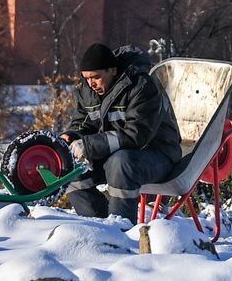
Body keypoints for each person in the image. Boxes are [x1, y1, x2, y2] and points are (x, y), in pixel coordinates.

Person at [59, 42, 183, 223]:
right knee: (71, 169)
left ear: (113, 71)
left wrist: (87, 145)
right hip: (115, 154)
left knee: (120, 164)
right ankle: (98, 227)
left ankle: (120, 231)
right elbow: (82, 123)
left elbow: (136, 135)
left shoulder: (142, 86)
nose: (90, 83)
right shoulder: (87, 91)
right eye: (86, 78)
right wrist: (71, 138)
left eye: (96, 77)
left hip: (159, 155)